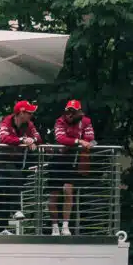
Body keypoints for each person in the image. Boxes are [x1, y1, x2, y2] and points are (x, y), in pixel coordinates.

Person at [51, 99, 97, 235]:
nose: (69, 115)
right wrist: (78, 141)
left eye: (72, 112)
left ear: (79, 112)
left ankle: (65, 226)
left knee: (68, 191)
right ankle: (54, 227)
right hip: (57, 160)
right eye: (67, 111)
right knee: (53, 194)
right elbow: (60, 139)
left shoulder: (86, 121)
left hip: (73, 161)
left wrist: (82, 143)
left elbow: (92, 139)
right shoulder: (60, 121)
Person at [0, 99, 40, 233]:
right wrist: (22, 140)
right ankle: (15, 210)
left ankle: (1, 228)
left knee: (8, 189)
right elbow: (3, 138)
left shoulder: (29, 124)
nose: (31, 115)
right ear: (21, 113)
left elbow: (38, 137)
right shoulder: (6, 121)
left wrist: (33, 140)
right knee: (13, 180)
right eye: (29, 113)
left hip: (17, 161)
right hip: (2, 161)